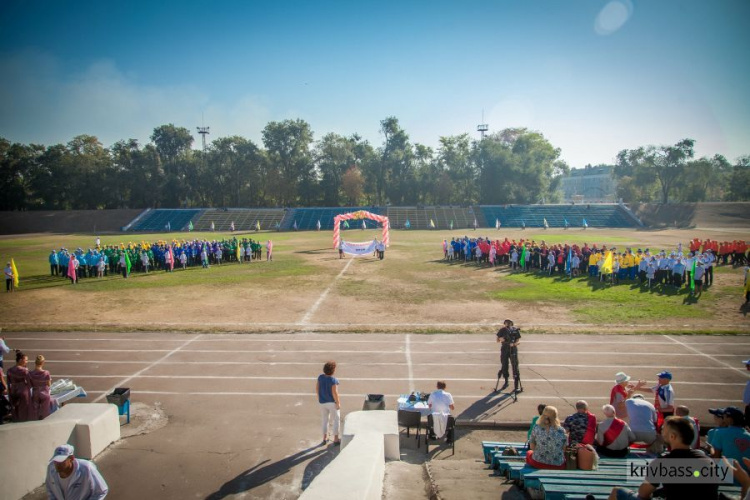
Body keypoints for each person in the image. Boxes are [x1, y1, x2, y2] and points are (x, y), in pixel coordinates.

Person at [609, 417, 719, 500]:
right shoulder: (707, 459)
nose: (661, 432)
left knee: (617, 492)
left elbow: (643, 494)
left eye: (663, 430)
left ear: (672, 437)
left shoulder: (662, 463)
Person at [707, 406, 750, 473]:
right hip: (745, 477)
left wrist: (711, 449)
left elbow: (716, 457)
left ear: (730, 419)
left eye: (724, 416)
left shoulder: (719, 433)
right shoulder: (748, 435)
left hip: (727, 475)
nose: (723, 418)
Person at [316, 361, 340, 445]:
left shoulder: (320, 377)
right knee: (336, 419)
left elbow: (317, 389)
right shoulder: (334, 380)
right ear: (333, 370)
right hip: (331, 403)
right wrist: (338, 403)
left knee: (325, 420)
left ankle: (324, 438)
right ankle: (336, 439)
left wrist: (319, 398)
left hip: (322, 402)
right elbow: (335, 393)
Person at [495, 319, 521, 392]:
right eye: (506, 322)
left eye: (509, 322)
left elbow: (518, 340)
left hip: (513, 349)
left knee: (515, 366)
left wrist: (514, 344)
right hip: (505, 349)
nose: (508, 324)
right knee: (504, 365)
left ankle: (516, 385)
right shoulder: (502, 330)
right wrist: (501, 339)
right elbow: (497, 340)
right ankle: (506, 381)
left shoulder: (515, 330)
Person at [7, 350, 31, 422]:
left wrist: (10, 393)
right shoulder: (24, 370)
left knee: (15, 409)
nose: (27, 362)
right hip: (23, 391)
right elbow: (29, 382)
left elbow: (8, 383)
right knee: (24, 410)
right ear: (20, 360)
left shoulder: (9, 370)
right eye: (26, 360)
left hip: (13, 391)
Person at [30, 354, 52, 420]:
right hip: (44, 393)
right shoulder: (46, 373)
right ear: (43, 362)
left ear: (35, 362)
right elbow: (49, 384)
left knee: (35, 411)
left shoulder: (30, 373)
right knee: (45, 413)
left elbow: (30, 384)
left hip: (35, 393)